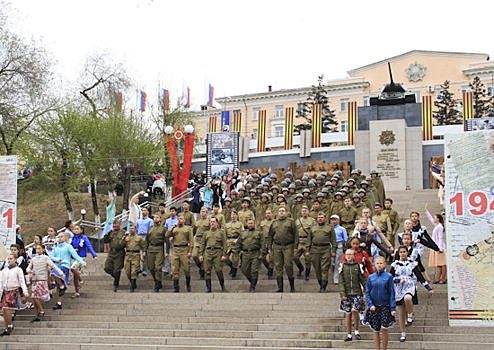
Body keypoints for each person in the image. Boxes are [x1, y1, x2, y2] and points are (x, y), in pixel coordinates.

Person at [390, 245, 434, 342]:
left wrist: (428, 288)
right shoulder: (395, 265)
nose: (402, 254)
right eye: (401, 252)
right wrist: (398, 280)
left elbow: (420, 277)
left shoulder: (412, 264)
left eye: (404, 252)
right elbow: (390, 278)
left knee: (407, 298)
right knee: (401, 313)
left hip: (409, 285)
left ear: (407, 253)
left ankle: (410, 313)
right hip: (399, 287)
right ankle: (403, 333)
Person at [362, 256, 396, 350]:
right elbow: (367, 292)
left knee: (384, 327)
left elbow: (392, 292)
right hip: (374, 306)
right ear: (374, 265)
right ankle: (377, 348)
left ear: (384, 264)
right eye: (377, 263)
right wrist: (370, 304)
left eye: (381, 263)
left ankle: (384, 348)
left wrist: (393, 308)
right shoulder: (371, 277)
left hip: (385, 305)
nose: (379, 265)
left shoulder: (388, 277)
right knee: (375, 329)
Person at [27, 244, 65, 322]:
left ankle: (41, 311)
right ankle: (37, 314)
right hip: (35, 279)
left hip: (42, 280)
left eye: (39, 248)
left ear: (43, 249)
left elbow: (53, 266)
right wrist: (29, 271)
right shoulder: (34, 259)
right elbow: (28, 267)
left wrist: (61, 273)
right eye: (36, 249)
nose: (37, 250)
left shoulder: (46, 258)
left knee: (34, 296)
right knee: (34, 298)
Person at [50, 232, 86, 310]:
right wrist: (57, 259)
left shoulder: (68, 246)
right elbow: (51, 256)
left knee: (53, 273)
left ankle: (63, 286)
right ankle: (59, 302)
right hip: (57, 265)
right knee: (58, 284)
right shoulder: (56, 248)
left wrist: (82, 262)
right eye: (58, 237)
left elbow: (75, 255)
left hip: (64, 265)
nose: (60, 238)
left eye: (61, 237)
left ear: (65, 238)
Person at [267, 207, 299, 293]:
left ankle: (292, 286)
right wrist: (269, 247)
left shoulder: (291, 222)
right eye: (280, 211)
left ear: (286, 212)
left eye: (283, 211)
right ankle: (280, 287)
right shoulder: (274, 222)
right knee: (278, 266)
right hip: (277, 246)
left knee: (288, 265)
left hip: (288, 246)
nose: (281, 212)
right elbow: (270, 236)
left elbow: (296, 234)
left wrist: (296, 246)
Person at [339, 249, 366, 342]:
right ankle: (349, 334)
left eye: (350, 254)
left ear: (354, 256)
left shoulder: (358, 266)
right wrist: (342, 293)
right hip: (347, 293)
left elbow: (362, 279)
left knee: (355, 310)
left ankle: (357, 331)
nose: (348, 256)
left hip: (356, 291)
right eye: (347, 254)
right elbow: (341, 281)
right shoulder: (342, 267)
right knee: (348, 313)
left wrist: (366, 288)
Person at [306, 212, 337, 293]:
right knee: (317, 269)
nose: (320, 219)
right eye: (319, 217)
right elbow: (309, 240)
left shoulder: (329, 228)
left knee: (324, 269)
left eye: (321, 217)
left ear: (325, 218)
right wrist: (307, 250)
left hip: (325, 249)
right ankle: (320, 283)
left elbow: (333, 240)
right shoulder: (313, 228)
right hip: (315, 249)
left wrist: (334, 251)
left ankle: (323, 286)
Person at [0, 254, 29, 336]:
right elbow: (1, 281)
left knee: (7, 308)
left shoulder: (18, 270)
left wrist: (25, 291)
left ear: (15, 260)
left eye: (11, 259)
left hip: (14, 291)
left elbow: (21, 281)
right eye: (8, 259)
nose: (9, 260)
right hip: (6, 291)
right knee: (5, 309)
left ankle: (9, 325)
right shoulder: (4, 271)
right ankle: (7, 327)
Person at [233, 218, 265, 292]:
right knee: (244, 270)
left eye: (251, 223)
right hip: (246, 254)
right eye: (249, 223)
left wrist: (262, 253)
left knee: (254, 270)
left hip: (255, 253)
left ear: (254, 224)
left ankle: (252, 286)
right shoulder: (243, 233)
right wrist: (236, 254)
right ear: (247, 224)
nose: (250, 225)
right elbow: (238, 244)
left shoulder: (259, 233)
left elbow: (262, 244)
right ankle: (252, 281)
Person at [165, 213, 194, 293]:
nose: (179, 220)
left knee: (186, 269)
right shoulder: (174, 229)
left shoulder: (188, 229)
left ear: (184, 220)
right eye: (178, 219)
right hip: (175, 249)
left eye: (181, 219)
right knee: (175, 269)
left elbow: (191, 240)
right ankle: (176, 287)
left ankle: (188, 284)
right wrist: (173, 227)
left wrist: (190, 251)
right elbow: (167, 235)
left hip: (184, 249)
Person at [199, 217, 227, 293]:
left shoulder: (221, 232)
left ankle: (222, 284)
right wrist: (200, 254)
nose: (212, 223)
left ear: (217, 223)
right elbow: (202, 244)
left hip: (217, 252)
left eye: (214, 222)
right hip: (208, 252)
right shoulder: (206, 233)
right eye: (211, 222)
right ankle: (208, 287)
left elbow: (224, 243)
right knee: (207, 271)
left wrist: (224, 254)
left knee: (218, 269)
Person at [70, 225, 98, 298]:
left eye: (77, 229)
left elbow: (89, 246)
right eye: (74, 229)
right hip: (73, 257)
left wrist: (94, 255)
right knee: (75, 275)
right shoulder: (71, 238)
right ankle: (77, 291)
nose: (76, 230)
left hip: (81, 257)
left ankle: (81, 280)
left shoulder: (84, 238)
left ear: (81, 230)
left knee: (73, 268)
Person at [143, 214, 167, 292]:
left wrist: (166, 251)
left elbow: (166, 241)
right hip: (150, 249)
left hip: (159, 248)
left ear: (160, 219)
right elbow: (146, 241)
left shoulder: (163, 229)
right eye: (154, 217)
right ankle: (156, 279)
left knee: (158, 267)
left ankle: (157, 284)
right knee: (151, 267)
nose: (155, 219)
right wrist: (144, 251)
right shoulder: (150, 229)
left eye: (157, 217)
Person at [120, 224, 145, 293]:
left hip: (135, 255)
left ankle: (132, 287)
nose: (131, 230)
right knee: (127, 271)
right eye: (130, 228)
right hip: (128, 255)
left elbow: (143, 246)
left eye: (132, 228)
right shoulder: (127, 237)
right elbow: (121, 244)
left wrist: (144, 255)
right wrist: (124, 236)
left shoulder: (139, 238)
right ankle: (133, 282)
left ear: (135, 230)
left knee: (133, 272)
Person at [103, 219, 126, 292]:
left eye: (116, 224)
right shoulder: (111, 232)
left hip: (119, 253)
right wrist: (107, 234)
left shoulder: (123, 233)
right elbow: (105, 240)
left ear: (119, 224)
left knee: (117, 269)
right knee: (107, 267)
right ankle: (116, 277)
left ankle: (116, 282)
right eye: (113, 224)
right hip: (111, 252)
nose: (114, 225)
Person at [425, 205, 447, 284]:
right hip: (437, 247)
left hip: (439, 247)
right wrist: (427, 211)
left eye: (435, 218)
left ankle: (442, 278)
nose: (434, 219)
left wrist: (440, 248)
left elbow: (440, 238)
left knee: (443, 264)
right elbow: (431, 220)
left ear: (438, 219)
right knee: (439, 264)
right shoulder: (438, 226)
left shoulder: (440, 227)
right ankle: (438, 278)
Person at [294, 206, 315, 280]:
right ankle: (301, 268)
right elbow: (295, 232)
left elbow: (314, 231)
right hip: (299, 241)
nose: (304, 212)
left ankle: (307, 273)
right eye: (303, 211)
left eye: (305, 211)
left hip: (307, 242)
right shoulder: (297, 221)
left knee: (308, 259)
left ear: (308, 212)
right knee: (295, 257)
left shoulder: (312, 220)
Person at [224, 210, 243, 279]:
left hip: (236, 242)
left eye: (234, 214)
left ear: (237, 216)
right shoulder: (227, 224)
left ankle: (234, 274)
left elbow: (242, 234)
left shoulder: (240, 224)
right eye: (232, 214)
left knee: (235, 259)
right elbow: (224, 235)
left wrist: (238, 240)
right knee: (225, 258)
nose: (233, 216)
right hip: (228, 242)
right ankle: (231, 266)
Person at [192, 207, 210, 280]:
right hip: (197, 240)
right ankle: (200, 266)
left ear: (206, 213)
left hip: (205, 240)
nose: (202, 213)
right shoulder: (197, 222)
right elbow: (193, 232)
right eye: (201, 211)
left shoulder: (208, 222)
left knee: (203, 256)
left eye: (204, 211)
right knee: (194, 255)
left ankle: (202, 271)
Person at [136, 207, 154, 276]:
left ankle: (145, 269)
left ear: (147, 212)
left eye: (144, 210)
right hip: (139, 236)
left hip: (146, 236)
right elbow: (136, 229)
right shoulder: (138, 221)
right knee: (137, 253)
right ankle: (137, 268)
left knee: (145, 253)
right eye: (142, 210)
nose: (143, 212)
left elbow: (151, 230)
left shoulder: (150, 221)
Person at [331, 215, 348, 284]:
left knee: (338, 262)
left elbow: (345, 239)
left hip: (339, 245)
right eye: (332, 220)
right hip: (331, 245)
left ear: (338, 220)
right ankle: (334, 274)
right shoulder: (329, 228)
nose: (334, 221)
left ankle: (336, 279)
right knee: (332, 262)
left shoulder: (342, 229)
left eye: (335, 220)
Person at [259, 209, 275, 280]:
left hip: (272, 241)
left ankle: (270, 273)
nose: (268, 215)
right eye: (266, 213)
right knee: (262, 257)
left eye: (269, 213)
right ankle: (269, 267)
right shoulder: (263, 222)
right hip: (264, 241)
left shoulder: (275, 222)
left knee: (271, 258)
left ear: (272, 214)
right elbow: (259, 232)